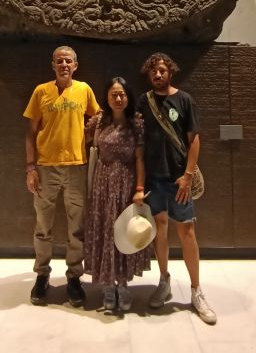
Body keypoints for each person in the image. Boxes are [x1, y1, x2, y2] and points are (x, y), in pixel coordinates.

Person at [136, 52, 217, 325]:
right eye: (153, 71)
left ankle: (196, 291)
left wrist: (187, 175)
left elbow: (193, 140)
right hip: (154, 179)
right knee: (159, 227)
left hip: (178, 179)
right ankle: (163, 281)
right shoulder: (143, 102)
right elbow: (139, 142)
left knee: (187, 230)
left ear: (171, 72)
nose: (158, 75)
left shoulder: (184, 100)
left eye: (162, 70)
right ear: (149, 74)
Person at [23, 46, 99, 307]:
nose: (64, 65)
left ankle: (74, 278)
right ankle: (42, 276)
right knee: (43, 227)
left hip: (77, 166)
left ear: (75, 65)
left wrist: (88, 133)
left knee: (75, 228)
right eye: (59, 61)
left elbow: (97, 117)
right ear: (52, 65)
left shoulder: (84, 90)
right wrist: (30, 168)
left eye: (68, 61)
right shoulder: (41, 91)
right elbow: (30, 132)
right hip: (46, 167)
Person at [84, 77, 151, 311]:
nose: (118, 98)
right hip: (102, 183)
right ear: (107, 97)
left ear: (128, 97)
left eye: (122, 94)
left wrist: (140, 188)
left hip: (127, 182)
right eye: (114, 94)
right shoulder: (99, 121)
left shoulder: (137, 124)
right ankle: (107, 287)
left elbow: (140, 158)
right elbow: (82, 139)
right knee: (104, 231)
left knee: (124, 232)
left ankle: (123, 284)